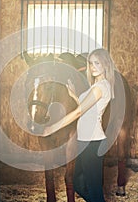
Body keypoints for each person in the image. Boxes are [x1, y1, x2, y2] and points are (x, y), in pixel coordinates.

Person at [40, 48, 115, 202]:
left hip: (93, 143)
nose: (93, 67)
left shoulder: (100, 88)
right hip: (85, 141)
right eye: (91, 63)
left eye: (97, 63)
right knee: (78, 183)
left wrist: (52, 128)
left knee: (94, 190)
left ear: (105, 65)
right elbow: (88, 107)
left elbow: (77, 113)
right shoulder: (96, 87)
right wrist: (74, 94)